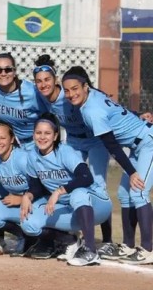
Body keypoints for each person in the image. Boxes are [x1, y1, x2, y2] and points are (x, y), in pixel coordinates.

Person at [62, 66, 153, 265]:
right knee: (123, 194)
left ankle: (148, 249)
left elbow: (110, 144)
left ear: (86, 86)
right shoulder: (94, 94)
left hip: (148, 142)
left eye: (75, 88)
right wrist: (137, 115)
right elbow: (118, 111)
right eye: (67, 90)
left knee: (138, 191)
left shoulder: (91, 111)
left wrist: (132, 172)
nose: (71, 94)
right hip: (137, 144)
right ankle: (128, 245)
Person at [32, 54, 112, 246]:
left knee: (98, 187)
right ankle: (75, 233)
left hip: (94, 140)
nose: (43, 85)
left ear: (56, 80)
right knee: (71, 182)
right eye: (39, 82)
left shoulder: (67, 94)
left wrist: (135, 114)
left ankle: (107, 240)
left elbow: (100, 99)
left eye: (47, 80)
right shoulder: (42, 98)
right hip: (74, 141)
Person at [20, 113, 112, 266]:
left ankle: (90, 250)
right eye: (38, 132)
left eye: (47, 133)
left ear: (55, 135)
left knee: (77, 194)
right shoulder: (32, 156)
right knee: (28, 222)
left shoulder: (65, 151)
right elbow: (36, 186)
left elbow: (86, 177)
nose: (42, 137)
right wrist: (27, 195)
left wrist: (59, 191)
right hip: (70, 210)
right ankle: (69, 240)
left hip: (96, 205)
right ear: (33, 134)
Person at [0, 121, 36, 256]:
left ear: (12, 140)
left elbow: (42, 186)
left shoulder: (22, 158)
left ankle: (63, 239)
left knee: (33, 224)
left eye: (2, 138)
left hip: (36, 203)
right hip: (21, 206)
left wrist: (21, 198)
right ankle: (23, 236)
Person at [0, 52, 48, 150]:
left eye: (8, 70)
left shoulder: (31, 93)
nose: (3, 74)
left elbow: (50, 116)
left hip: (35, 144)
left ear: (14, 72)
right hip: (11, 145)